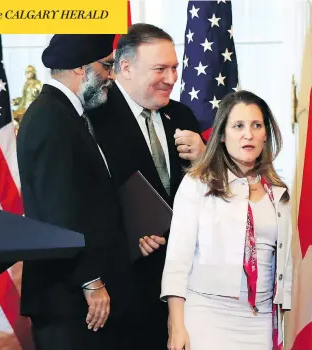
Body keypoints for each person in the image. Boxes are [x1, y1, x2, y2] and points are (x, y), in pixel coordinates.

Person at [88, 23, 206, 348]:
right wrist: (129, 238)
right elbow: (84, 203)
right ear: (124, 67)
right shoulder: (94, 120)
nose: (171, 78)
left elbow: (215, 196)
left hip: (182, 289)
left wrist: (205, 158)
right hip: (123, 292)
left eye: (174, 68)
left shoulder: (182, 116)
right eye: (160, 68)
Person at [17, 34, 135, 350]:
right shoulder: (51, 120)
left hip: (78, 297)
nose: (111, 75)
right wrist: (91, 281)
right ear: (81, 68)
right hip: (69, 299)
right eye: (107, 66)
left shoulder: (68, 115)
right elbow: (59, 212)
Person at [161, 90, 293, 350]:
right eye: (238, 126)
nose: (248, 134)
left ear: (266, 134)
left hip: (261, 319)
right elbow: (178, 258)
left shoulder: (278, 192)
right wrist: (176, 325)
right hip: (208, 315)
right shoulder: (197, 183)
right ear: (221, 134)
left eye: (256, 125)